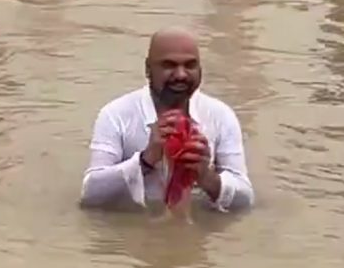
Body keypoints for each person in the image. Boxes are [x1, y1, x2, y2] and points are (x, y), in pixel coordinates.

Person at [79, 27, 254, 213]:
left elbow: (246, 201)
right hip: (136, 233)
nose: (180, 74)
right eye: (169, 65)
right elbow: (90, 195)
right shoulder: (116, 115)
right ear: (148, 69)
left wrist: (207, 177)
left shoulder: (220, 116)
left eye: (190, 65)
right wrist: (145, 161)